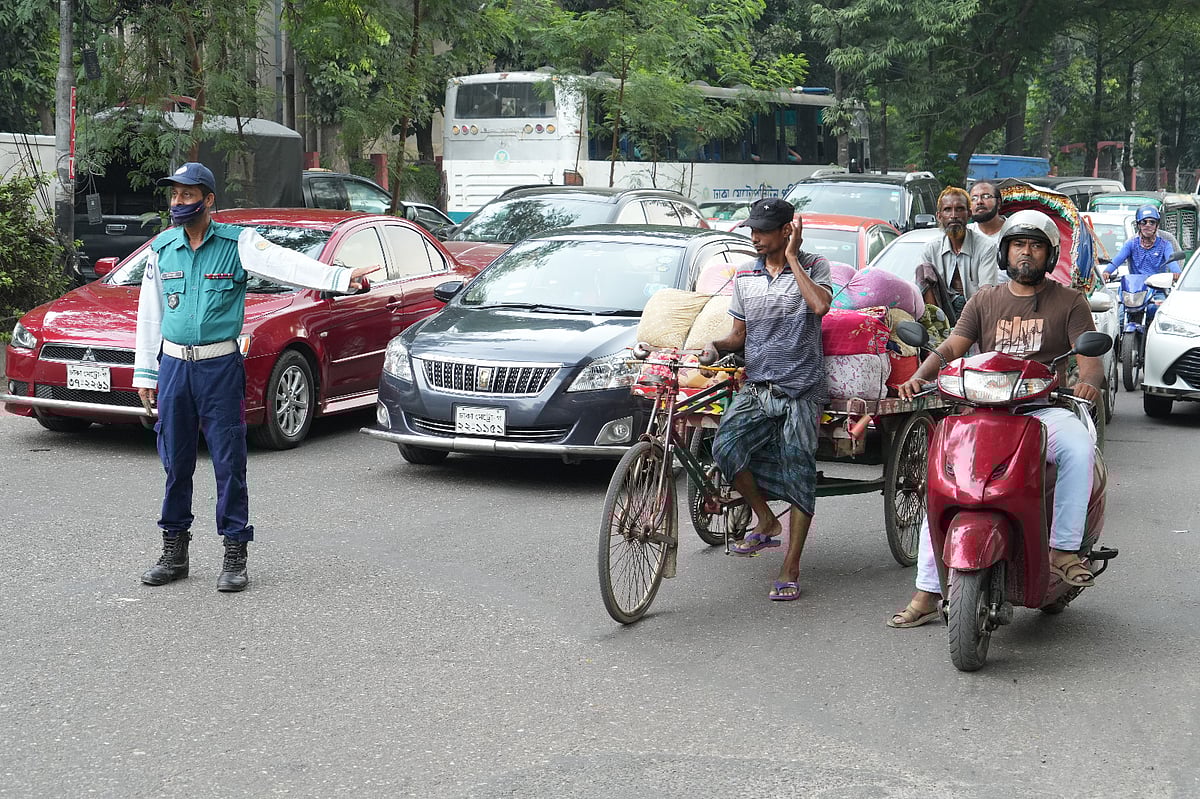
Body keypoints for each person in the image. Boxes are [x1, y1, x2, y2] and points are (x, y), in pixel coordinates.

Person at [133, 162, 377, 593]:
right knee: (175, 462)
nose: (178, 202)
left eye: (188, 195)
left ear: (208, 200)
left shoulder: (238, 243)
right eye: (174, 195)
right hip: (173, 368)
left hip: (219, 367)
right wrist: (145, 374)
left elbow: (286, 264)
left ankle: (234, 552)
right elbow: (150, 313)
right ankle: (174, 551)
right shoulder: (162, 248)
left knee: (229, 462)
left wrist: (339, 277)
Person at [888, 209, 1104, 628]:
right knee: (944, 482)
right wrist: (919, 377)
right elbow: (952, 347)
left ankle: (1063, 549)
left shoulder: (1069, 301)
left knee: (1078, 447)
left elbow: (1089, 360)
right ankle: (928, 589)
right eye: (1018, 244)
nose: (1026, 252)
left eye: (1036, 246)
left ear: (1049, 254)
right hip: (984, 413)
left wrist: (1087, 384)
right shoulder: (985, 299)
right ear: (1005, 252)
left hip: (1043, 411)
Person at [701, 198, 833, 602]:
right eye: (752, 230)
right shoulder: (745, 275)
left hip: (801, 390)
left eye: (763, 230)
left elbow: (820, 306)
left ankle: (791, 566)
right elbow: (738, 335)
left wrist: (792, 258)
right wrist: (715, 346)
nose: (755, 237)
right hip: (758, 387)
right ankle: (765, 519)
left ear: (787, 231)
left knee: (799, 472)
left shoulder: (814, 266)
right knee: (724, 449)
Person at [919, 187, 1000, 319]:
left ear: (969, 214)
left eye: (959, 209)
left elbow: (986, 291)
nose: (954, 215)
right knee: (923, 270)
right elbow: (925, 292)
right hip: (942, 318)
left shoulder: (986, 247)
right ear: (939, 216)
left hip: (977, 316)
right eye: (947, 209)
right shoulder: (930, 249)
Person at [1101, 205, 1182, 283]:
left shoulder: (1165, 244)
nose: (1148, 225)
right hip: (1135, 287)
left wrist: (1176, 273)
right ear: (1138, 225)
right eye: (1144, 222)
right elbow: (1118, 259)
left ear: (1157, 226)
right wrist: (1107, 272)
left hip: (1158, 288)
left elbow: (1172, 262)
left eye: (1152, 222)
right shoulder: (1131, 244)